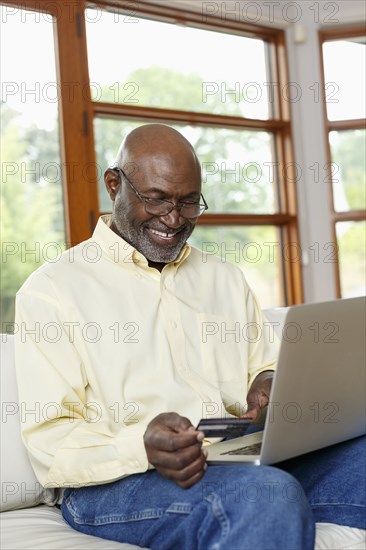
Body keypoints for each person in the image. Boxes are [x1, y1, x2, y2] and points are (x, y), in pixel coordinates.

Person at [15, 124, 365, 549]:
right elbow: (50, 441)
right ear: (114, 185)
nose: (174, 219)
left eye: (187, 203)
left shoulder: (224, 278)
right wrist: (141, 446)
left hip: (232, 452)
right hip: (119, 479)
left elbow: (264, 365)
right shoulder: (52, 289)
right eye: (156, 199)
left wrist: (268, 383)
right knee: (267, 494)